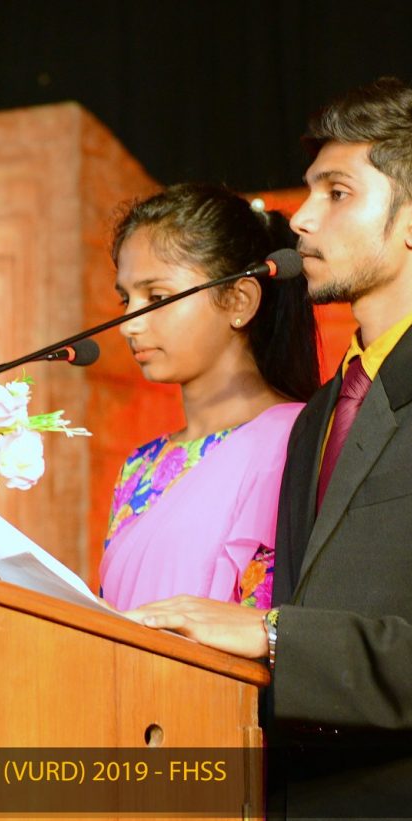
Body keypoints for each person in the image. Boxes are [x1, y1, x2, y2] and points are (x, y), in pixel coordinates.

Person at [125, 79, 412, 821]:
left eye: (337, 193)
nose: (302, 218)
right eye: (310, 191)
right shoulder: (317, 413)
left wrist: (274, 634)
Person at [99, 183, 321, 612]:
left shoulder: (300, 440)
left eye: (156, 297)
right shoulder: (140, 465)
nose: (129, 323)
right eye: (126, 299)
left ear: (239, 300)